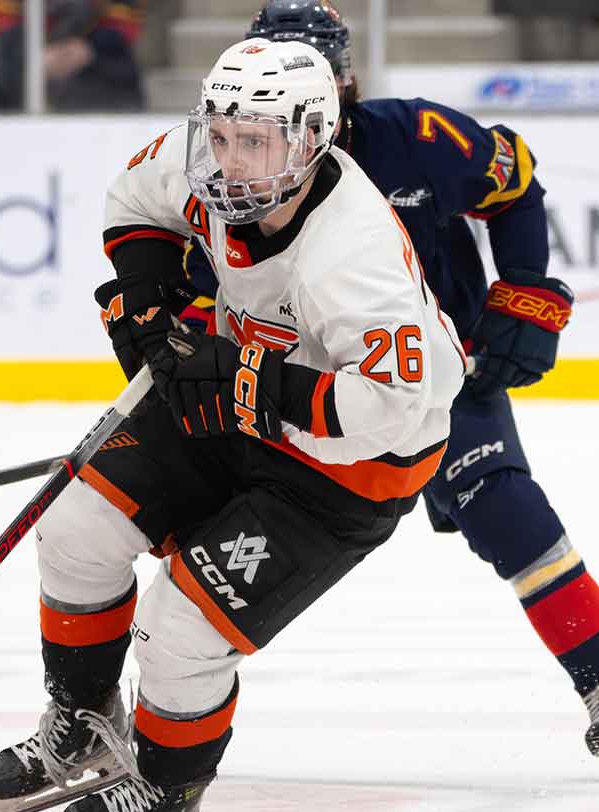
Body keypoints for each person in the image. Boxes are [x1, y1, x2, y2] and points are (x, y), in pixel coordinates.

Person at [0, 39, 465, 812]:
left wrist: (251, 380)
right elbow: (135, 199)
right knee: (72, 529)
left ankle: (168, 786)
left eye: (257, 140)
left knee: (181, 628)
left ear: (311, 137)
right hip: (241, 406)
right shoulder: (201, 159)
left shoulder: (354, 255)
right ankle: (83, 719)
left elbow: (397, 407)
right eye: (223, 131)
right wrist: (142, 298)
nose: (231, 160)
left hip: (346, 471)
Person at [186, 0, 599, 756]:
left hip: (430, 384)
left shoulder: (416, 139)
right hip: (287, 394)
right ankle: (129, 713)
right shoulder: (224, 167)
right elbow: (184, 262)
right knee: (190, 542)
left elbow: (515, 182)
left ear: (340, 82)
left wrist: (525, 289)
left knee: (507, 509)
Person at [0, 0, 145, 111]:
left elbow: (124, 23)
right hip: (28, 53)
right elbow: (1, 21)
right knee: (4, 71)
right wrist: (32, 54)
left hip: (93, 54)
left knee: (121, 69)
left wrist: (89, 48)